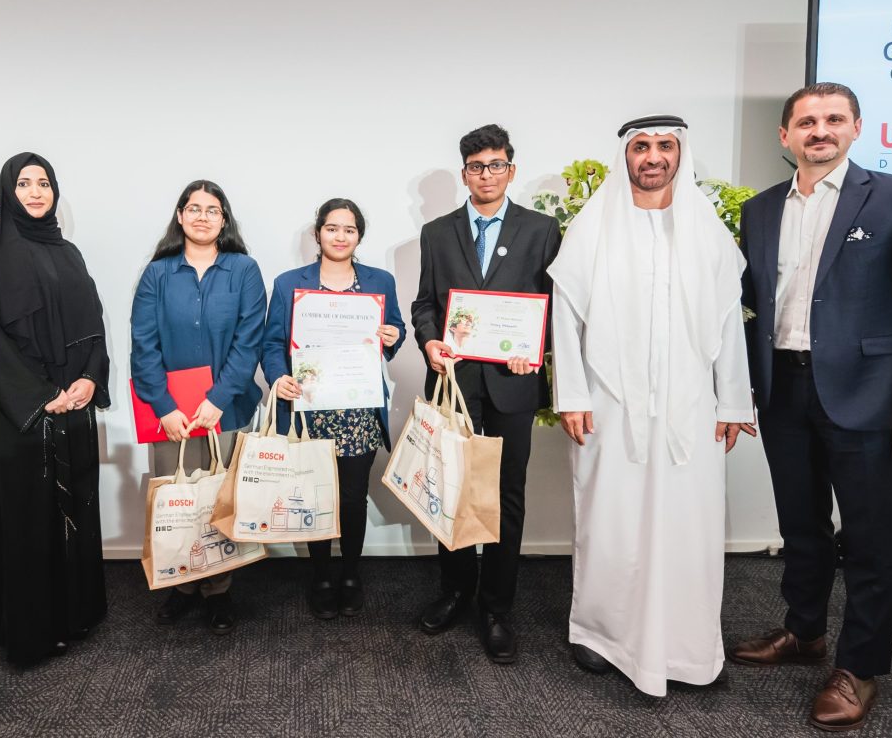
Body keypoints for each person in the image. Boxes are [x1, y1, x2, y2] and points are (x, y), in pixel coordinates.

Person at [730, 82, 892, 731]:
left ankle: (858, 667)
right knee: (801, 527)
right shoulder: (761, 209)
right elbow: (744, 301)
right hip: (784, 390)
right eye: (806, 121)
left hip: (869, 396)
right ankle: (804, 632)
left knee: (869, 540)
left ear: (856, 127)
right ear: (785, 136)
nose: (819, 130)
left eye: (833, 119)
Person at [548, 115, 754, 696]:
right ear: (626, 157)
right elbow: (567, 316)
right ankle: (601, 634)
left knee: (689, 524)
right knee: (609, 519)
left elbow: (728, 324)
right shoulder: (594, 227)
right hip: (609, 407)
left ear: (680, 154)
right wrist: (572, 394)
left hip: (690, 404)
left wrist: (733, 401)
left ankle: (685, 646)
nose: (654, 156)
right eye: (642, 146)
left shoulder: (706, 230)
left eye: (665, 146)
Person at [409, 124, 560, 663]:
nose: (487, 175)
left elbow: (551, 306)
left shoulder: (542, 229)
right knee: (449, 489)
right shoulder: (437, 232)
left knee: (505, 497)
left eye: (497, 165)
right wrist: (429, 343)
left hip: (512, 383)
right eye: (476, 167)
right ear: (464, 173)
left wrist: (534, 348)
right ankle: (455, 591)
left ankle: (497, 607)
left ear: (510, 170)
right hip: (453, 384)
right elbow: (425, 304)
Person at [0, 152, 111, 666]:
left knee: (72, 510)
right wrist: (40, 395)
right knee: (26, 518)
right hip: (19, 413)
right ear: (8, 191)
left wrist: (90, 377)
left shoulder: (68, 252)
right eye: (23, 183)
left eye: (44, 183)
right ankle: (28, 631)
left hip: (74, 406)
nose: (35, 192)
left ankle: (74, 615)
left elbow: (94, 322)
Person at [130, 179, 266, 635]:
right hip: (170, 413)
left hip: (225, 407)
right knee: (180, 499)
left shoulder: (244, 270)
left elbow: (249, 343)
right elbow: (143, 344)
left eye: (212, 209)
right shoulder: (158, 273)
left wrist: (217, 400)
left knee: (221, 499)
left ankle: (218, 589)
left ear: (223, 219)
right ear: (180, 216)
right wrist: (165, 406)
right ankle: (182, 584)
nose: (203, 216)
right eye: (194, 208)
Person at [262, 198, 405, 619]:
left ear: (359, 236)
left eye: (349, 230)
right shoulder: (290, 283)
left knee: (353, 498)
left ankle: (350, 574)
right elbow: (272, 343)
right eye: (332, 228)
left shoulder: (380, 281)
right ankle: (321, 576)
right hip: (309, 407)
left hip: (357, 407)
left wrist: (393, 336)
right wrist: (277, 377)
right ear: (317, 232)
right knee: (313, 494)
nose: (340, 236)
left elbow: (394, 336)